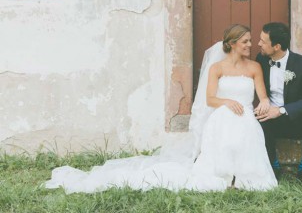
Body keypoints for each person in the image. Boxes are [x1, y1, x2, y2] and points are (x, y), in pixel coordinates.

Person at [45, 24, 277, 193]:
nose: (250, 45)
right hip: (223, 114)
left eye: (250, 41)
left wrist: (264, 103)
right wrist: (227, 102)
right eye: (245, 41)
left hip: (246, 115)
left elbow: (262, 97)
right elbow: (210, 100)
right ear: (233, 43)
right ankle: (225, 177)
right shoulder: (217, 68)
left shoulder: (255, 67)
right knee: (225, 126)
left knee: (246, 129)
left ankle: (243, 178)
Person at [255, 22, 302, 183]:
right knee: (259, 118)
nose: (259, 44)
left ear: (277, 46)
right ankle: (273, 166)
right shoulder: (261, 59)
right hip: (270, 121)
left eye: (263, 41)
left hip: (294, 119)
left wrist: (281, 110)